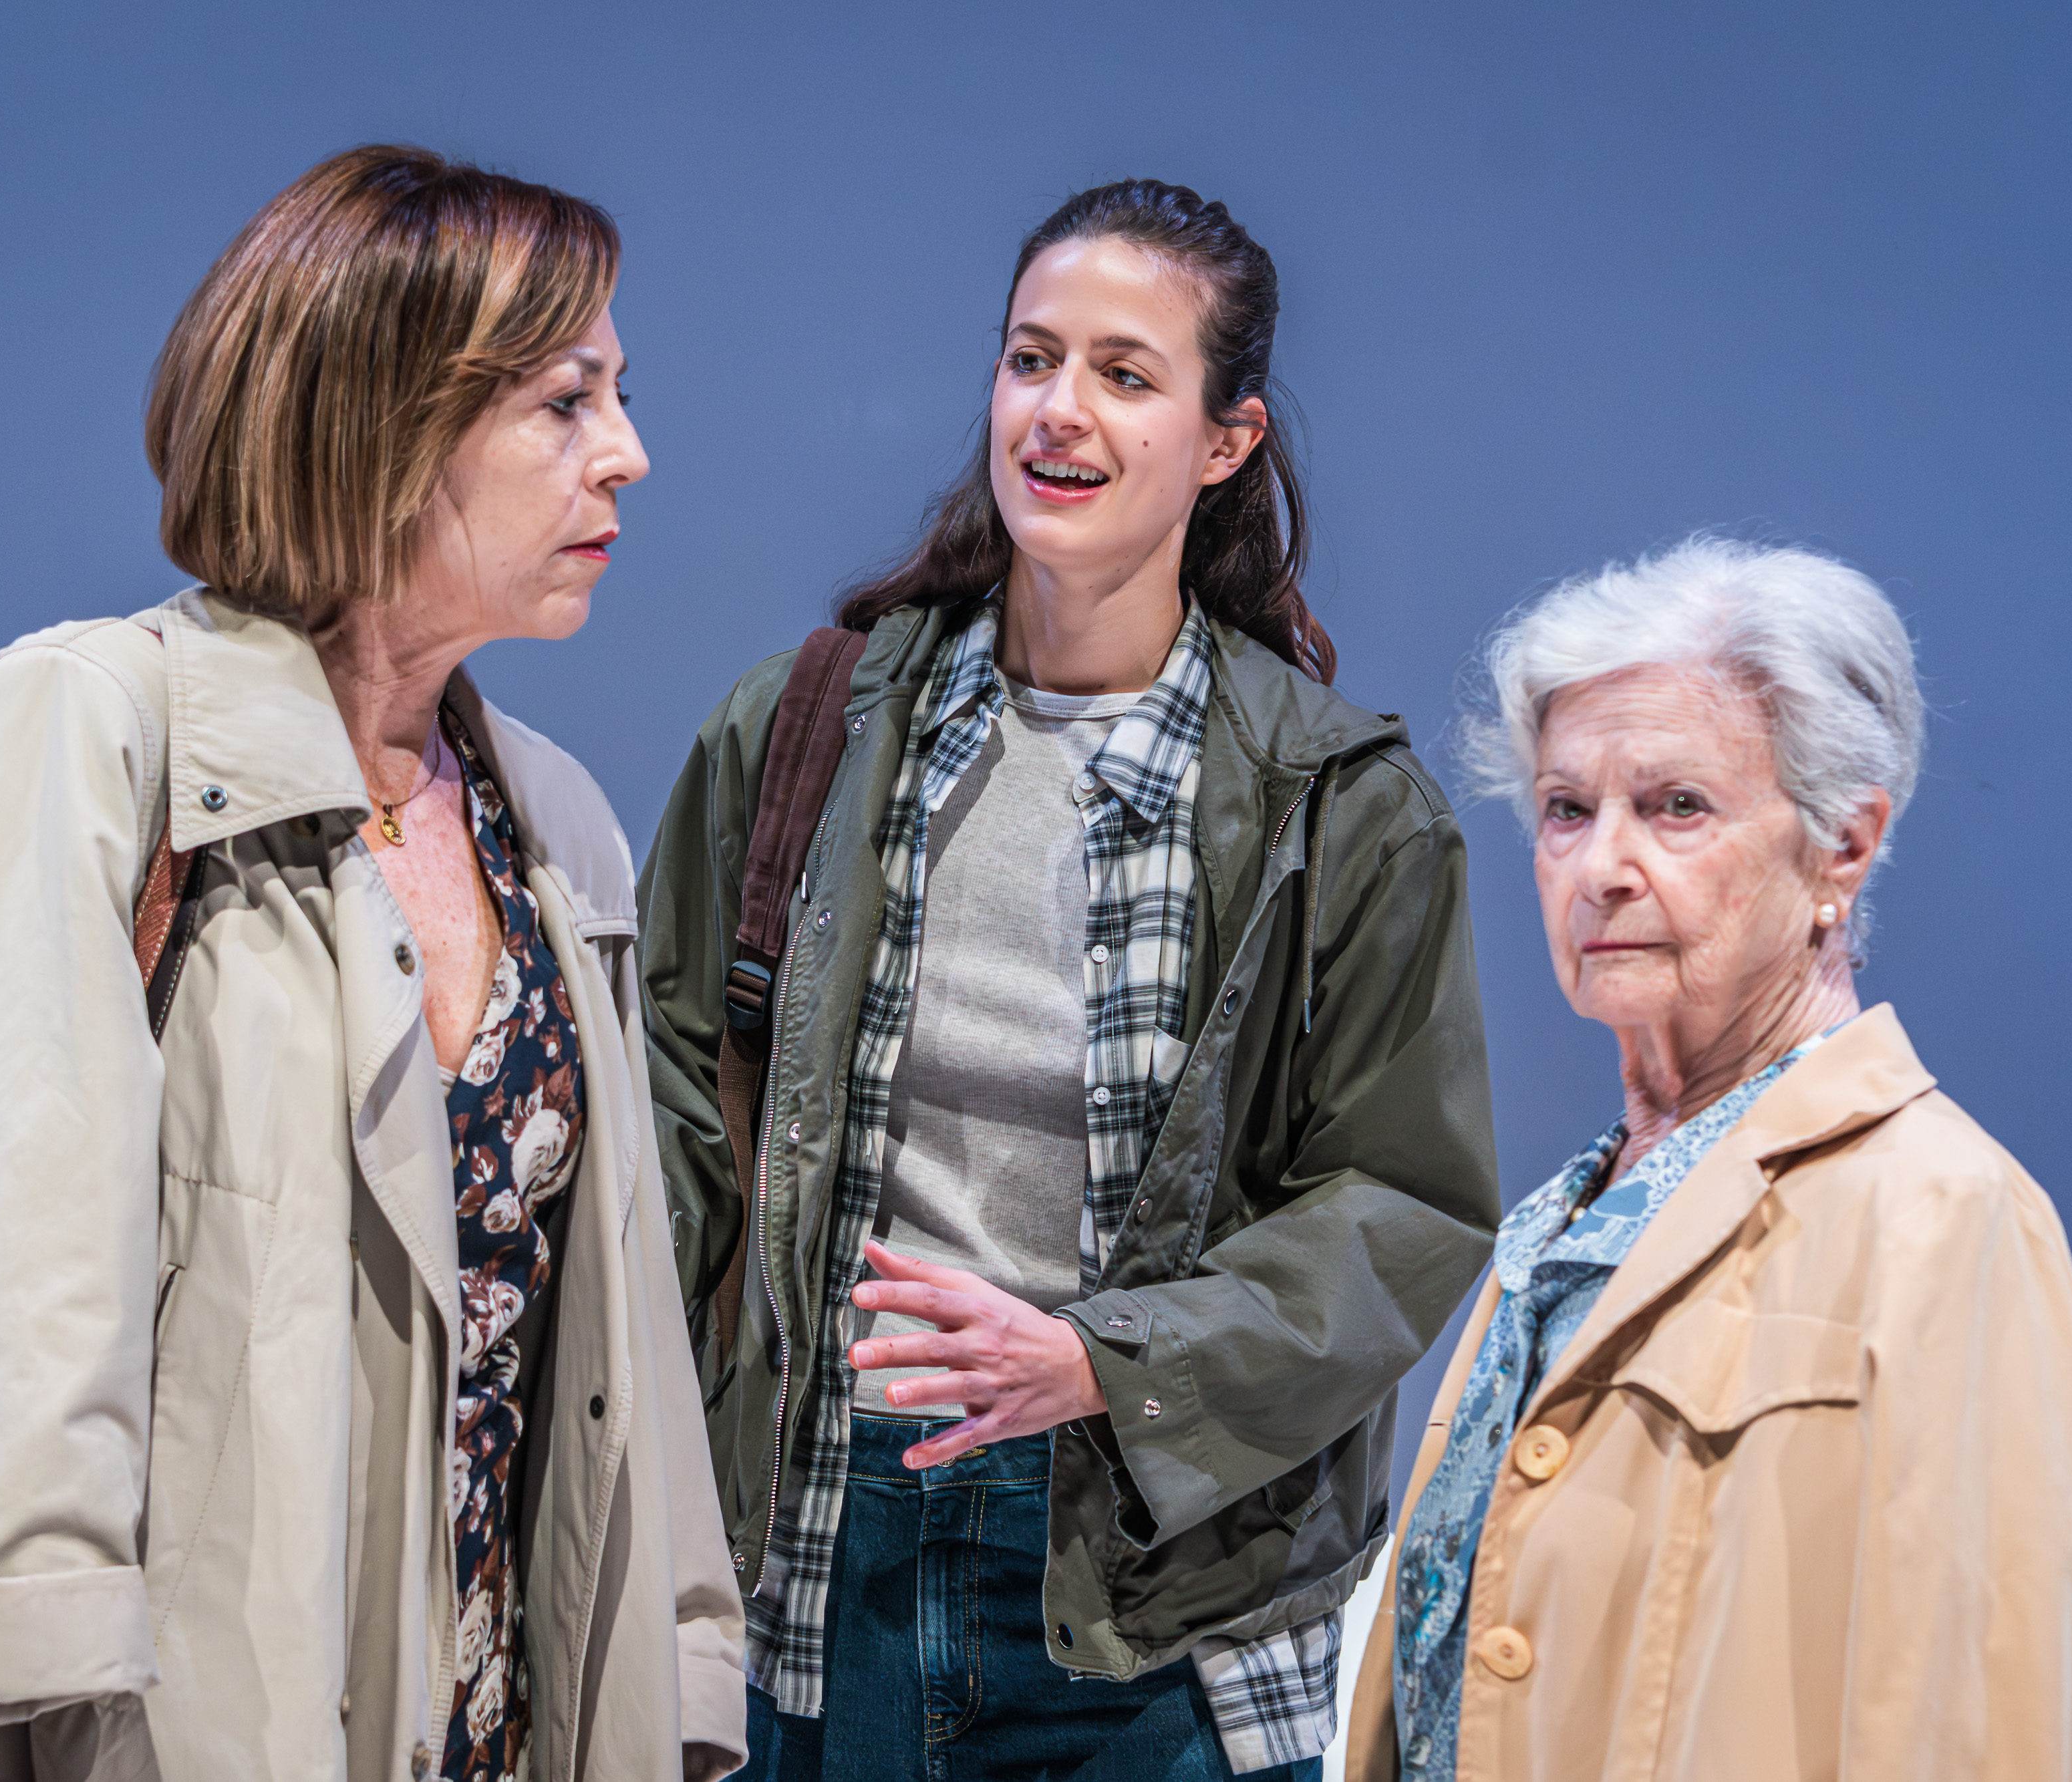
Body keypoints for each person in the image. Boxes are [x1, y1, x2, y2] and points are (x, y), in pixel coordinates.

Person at [0, 146, 746, 1782]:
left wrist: (680, 1685)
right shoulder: (93, 730)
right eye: (566, 401)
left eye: (618, 397)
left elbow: (614, 1349)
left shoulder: (555, 820)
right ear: (389, 419)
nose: (626, 452)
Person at [639, 180, 1501, 1781]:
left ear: (1225, 438)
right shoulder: (806, 727)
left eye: (1123, 372)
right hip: (824, 1543)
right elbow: (670, 1109)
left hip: (1156, 1587)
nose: (1059, 409)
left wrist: (1106, 1359)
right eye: (1031, 358)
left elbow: (1400, 1200)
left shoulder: (1338, 805)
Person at [1345, 537, 2072, 1781]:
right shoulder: (1556, 1221)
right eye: (1566, 810)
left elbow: (1976, 1724)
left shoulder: (1943, 1215)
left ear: (1842, 845)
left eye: (1677, 807)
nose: (1602, 870)